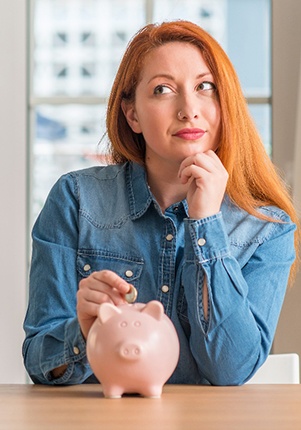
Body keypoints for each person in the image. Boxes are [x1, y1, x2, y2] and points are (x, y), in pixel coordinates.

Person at [23, 20, 300, 386]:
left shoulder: (267, 228)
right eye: (163, 90)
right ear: (132, 114)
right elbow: (40, 360)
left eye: (205, 87)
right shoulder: (75, 199)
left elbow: (231, 370)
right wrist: (83, 333)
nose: (189, 109)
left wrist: (206, 225)